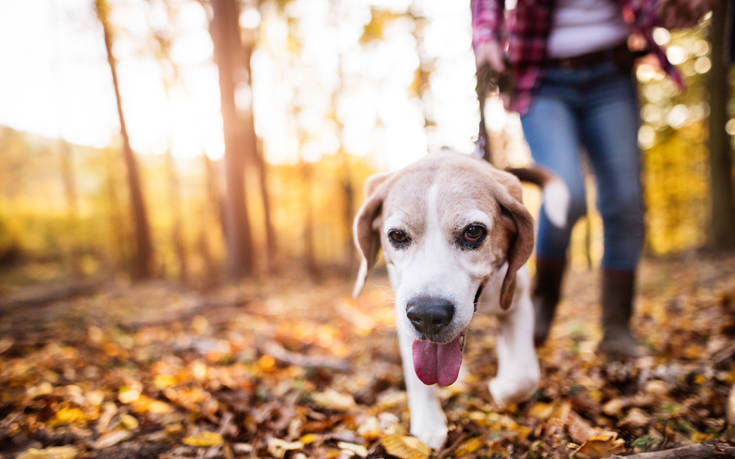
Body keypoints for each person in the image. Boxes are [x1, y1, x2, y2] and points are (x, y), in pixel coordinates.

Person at [471, 0, 710, 357]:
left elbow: (665, 9)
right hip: (541, 76)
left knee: (625, 202)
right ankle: (543, 301)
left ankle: (617, 328)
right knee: (565, 194)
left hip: (612, 71)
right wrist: (486, 36)